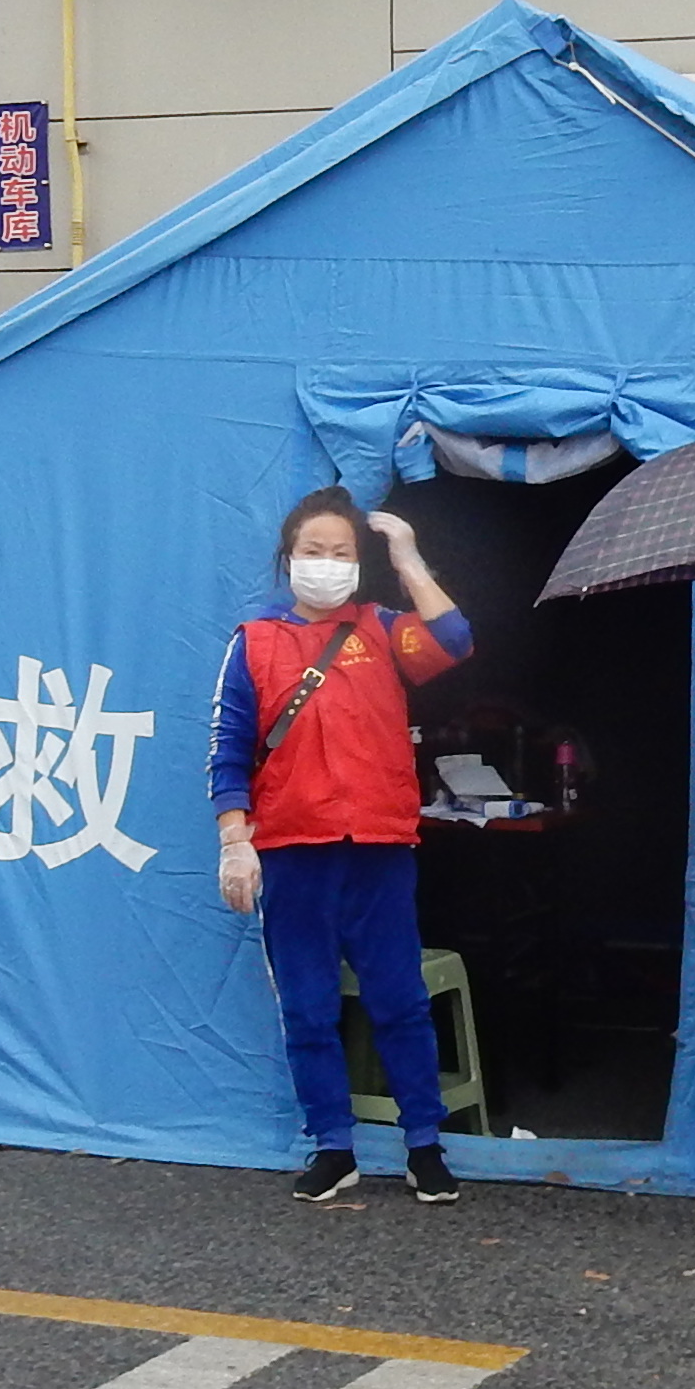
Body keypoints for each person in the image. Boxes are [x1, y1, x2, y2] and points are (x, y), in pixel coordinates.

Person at [212, 487, 469, 1205]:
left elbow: (454, 641)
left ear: (359, 564)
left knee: (400, 1000)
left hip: (378, 848)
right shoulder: (253, 642)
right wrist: (235, 841)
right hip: (293, 851)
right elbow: (227, 750)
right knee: (308, 1008)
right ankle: (332, 1146)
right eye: (313, 551)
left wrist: (409, 559)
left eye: (341, 553)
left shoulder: (382, 629)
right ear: (288, 558)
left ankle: (425, 1145)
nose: (325, 564)